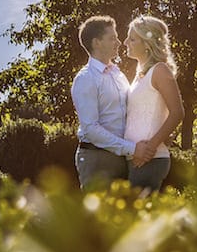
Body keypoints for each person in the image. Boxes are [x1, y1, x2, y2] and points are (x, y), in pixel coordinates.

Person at [71, 15, 154, 189]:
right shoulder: (86, 79)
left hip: (123, 157)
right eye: (112, 38)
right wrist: (131, 148)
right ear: (96, 43)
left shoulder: (118, 75)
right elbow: (91, 129)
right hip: (97, 159)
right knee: (99, 215)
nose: (119, 42)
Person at [123, 15, 185, 190]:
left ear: (147, 44)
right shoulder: (139, 75)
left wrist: (150, 148)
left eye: (132, 39)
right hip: (135, 158)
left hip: (150, 159)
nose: (126, 42)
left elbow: (177, 112)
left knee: (137, 215)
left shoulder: (160, 70)